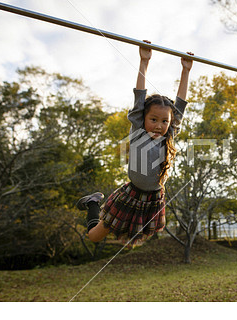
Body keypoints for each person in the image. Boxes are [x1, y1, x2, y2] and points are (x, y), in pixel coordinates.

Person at [76, 41, 194, 245]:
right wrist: (144, 61)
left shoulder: (169, 136)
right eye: (154, 119)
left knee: (131, 240)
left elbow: (180, 105)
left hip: (153, 199)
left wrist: (185, 70)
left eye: (164, 121)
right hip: (131, 195)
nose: (159, 125)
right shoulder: (139, 133)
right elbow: (139, 96)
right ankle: (93, 202)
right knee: (94, 237)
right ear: (143, 118)